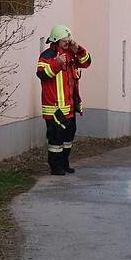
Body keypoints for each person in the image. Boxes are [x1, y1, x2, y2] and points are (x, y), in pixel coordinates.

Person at [36, 25, 91, 175]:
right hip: (54, 108)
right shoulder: (47, 56)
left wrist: (78, 48)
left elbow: (86, 62)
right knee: (56, 139)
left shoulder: (71, 54)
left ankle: (64, 163)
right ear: (56, 40)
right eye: (65, 41)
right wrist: (57, 63)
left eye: (69, 40)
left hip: (70, 106)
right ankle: (55, 167)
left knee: (68, 137)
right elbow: (42, 74)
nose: (68, 43)